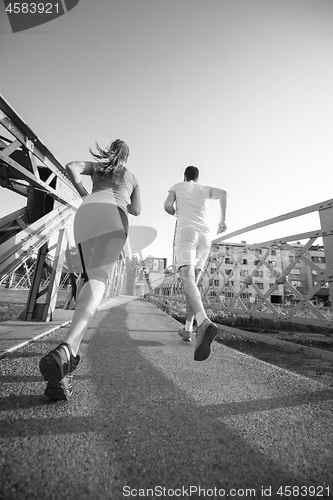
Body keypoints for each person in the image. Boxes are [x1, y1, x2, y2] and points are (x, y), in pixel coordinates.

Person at [39, 139, 141, 400]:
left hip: (86, 213)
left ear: (110, 152)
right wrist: (123, 198)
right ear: (127, 157)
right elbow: (137, 210)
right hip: (114, 216)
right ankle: (66, 347)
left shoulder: (98, 167)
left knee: (87, 278)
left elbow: (71, 166)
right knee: (98, 278)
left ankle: (69, 357)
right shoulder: (131, 176)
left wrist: (85, 193)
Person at [163, 166, 227, 361]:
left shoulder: (177, 186)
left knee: (187, 279)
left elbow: (166, 206)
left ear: (184, 176)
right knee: (193, 285)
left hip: (187, 233)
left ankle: (203, 322)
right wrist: (222, 220)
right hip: (205, 237)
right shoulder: (204, 189)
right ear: (198, 178)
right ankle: (188, 330)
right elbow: (224, 193)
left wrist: (176, 211)